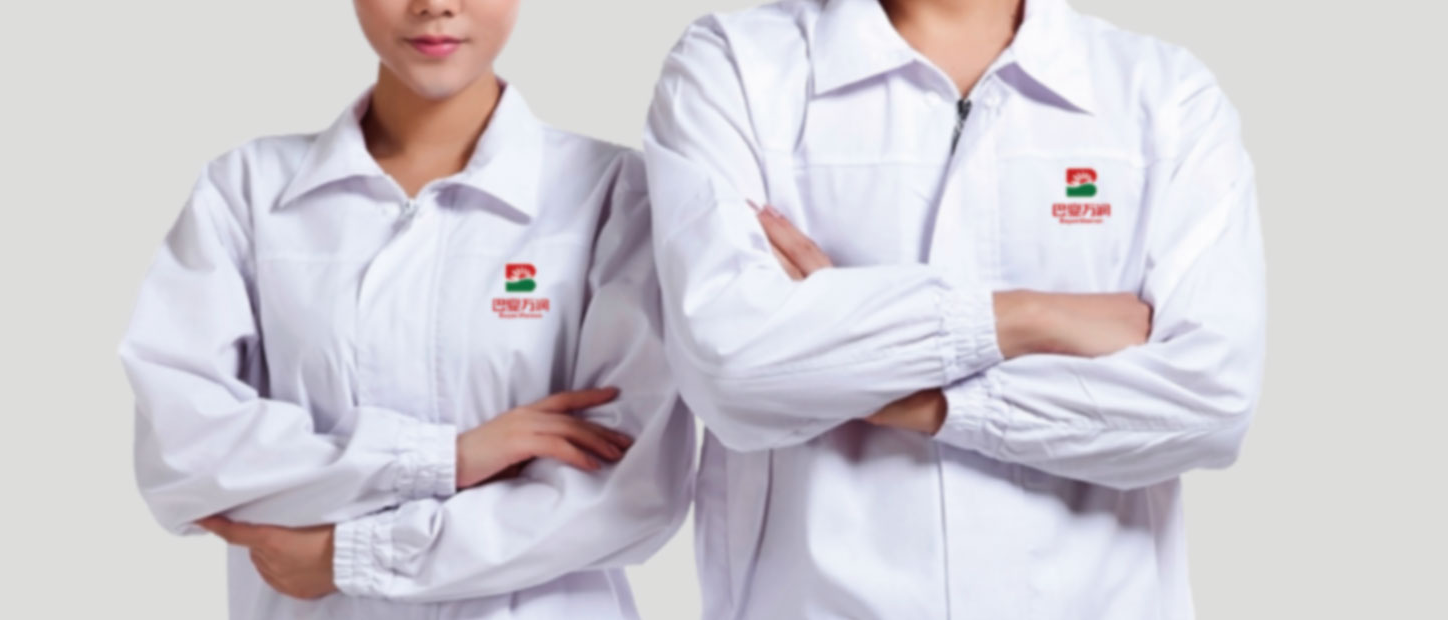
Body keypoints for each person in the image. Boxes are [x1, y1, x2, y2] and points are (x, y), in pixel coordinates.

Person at [644, 0, 1265, 617]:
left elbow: (1212, 401)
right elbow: (731, 366)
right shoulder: (735, 69)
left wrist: (907, 389)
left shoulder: (1164, 95)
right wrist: (1028, 319)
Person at [119, 1, 693, 618]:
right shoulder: (247, 193)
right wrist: (446, 459)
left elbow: (627, 495)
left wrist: (350, 557)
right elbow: (185, 455)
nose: (436, 5)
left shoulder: (612, 195)